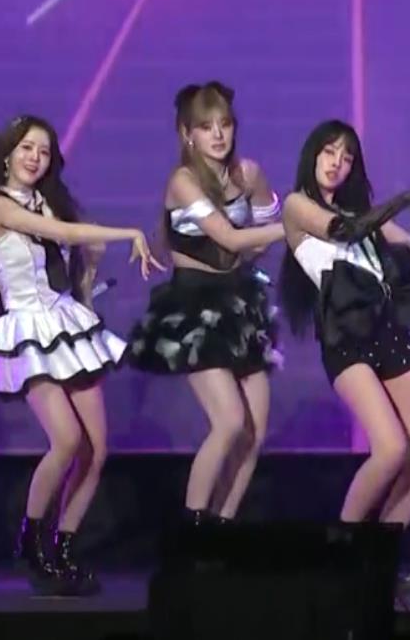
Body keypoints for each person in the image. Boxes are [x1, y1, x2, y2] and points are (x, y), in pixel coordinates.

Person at [0, 114, 162, 596]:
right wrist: (129, 233)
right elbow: (62, 233)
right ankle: (30, 540)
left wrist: (89, 273)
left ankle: (63, 547)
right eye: (27, 148)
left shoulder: (47, 203)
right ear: (8, 154)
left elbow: (70, 274)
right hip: (28, 329)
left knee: (95, 449)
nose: (35, 158)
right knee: (66, 440)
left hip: (66, 324)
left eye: (44, 151)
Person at [127, 82, 286, 526]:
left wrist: (276, 224)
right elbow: (230, 238)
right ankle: (194, 529)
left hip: (239, 304)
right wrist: (296, 223)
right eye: (206, 126)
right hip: (195, 307)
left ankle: (222, 528)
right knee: (230, 421)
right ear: (187, 134)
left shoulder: (247, 174)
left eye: (225, 124)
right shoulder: (183, 181)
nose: (218, 134)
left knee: (253, 433)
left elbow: (256, 238)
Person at [278, 120, 410, 537]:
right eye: (329, 152)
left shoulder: (359, 214)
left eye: (347, 157)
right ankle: (345, 551)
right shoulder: (296, 206)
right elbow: (344, 231)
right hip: (345, 337)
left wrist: (404, 261)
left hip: (388, 330)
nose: (337, 162)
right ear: (312, 154)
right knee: (390, 448)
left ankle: (379, 557)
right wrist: (404, 199)